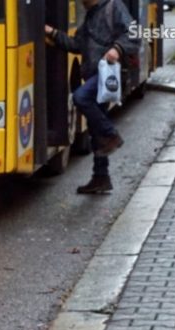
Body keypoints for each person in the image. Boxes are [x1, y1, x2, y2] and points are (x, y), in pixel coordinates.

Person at [45, 0, 139, 194]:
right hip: (94, 75)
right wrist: (52, 33)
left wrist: (117, 49)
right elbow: (76, 45)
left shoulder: (114, 7)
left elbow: (134, 33)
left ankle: (111, 133)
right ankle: (101, 177)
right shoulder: (90, 16)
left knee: (80, 97)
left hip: (106, 74)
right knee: (96, 132)